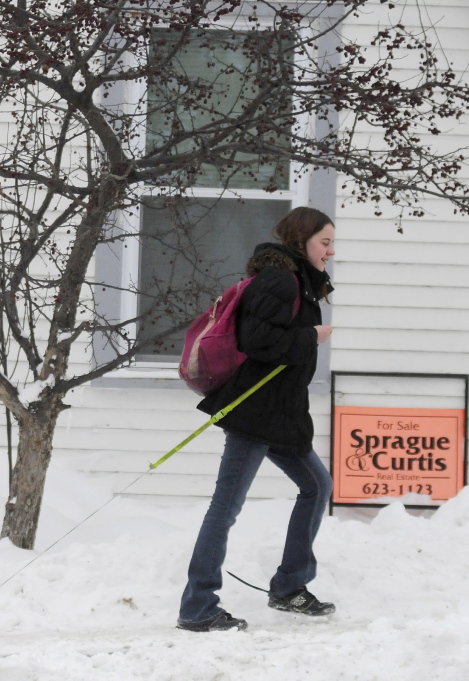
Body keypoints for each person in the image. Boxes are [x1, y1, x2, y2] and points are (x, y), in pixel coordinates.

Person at [177, 206, 337, 632]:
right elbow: (258, 340)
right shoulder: (280, 280)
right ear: (303, 240)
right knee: (225, 508)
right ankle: (197, 608)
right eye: (325, 242)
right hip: (257, 412)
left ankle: (289, 587)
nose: (330, 251)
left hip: (281, 413)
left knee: (318, 485)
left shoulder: (298, 281)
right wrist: (311, 336)